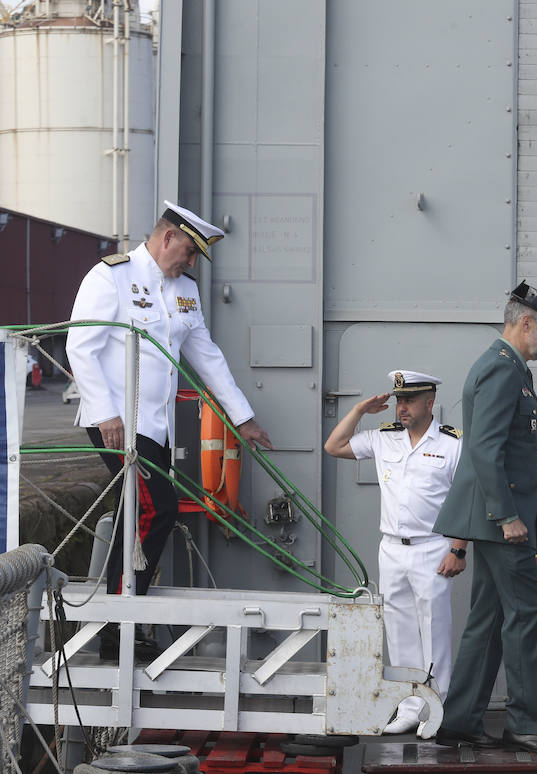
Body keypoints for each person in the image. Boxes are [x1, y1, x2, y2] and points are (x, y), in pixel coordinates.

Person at [67, 202, 273, 653]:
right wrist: (105, 413)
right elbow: (80, 346)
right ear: (167, 238)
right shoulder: (111, 276)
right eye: (190, 251)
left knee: (143, 510)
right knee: (156, 507)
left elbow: (206, 355)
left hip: (156, 429)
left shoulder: (185, 291)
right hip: (117, 422)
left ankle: (119, 623)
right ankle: (118, 623)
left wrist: (243, 418)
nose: (192, 262)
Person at [432, 282, 537, 755]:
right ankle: (527, 723)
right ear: (525, 322)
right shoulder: (501, 368)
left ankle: (460, 720)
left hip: (493, 517)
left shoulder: (509, 367)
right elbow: (486, 448)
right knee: (527, 615)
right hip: (500, 520)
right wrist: (507, 516)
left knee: (488, 620)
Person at [323, 370, 467, 735]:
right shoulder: (384, 437)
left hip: (433, 547)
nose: (402, 408)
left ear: (430, 403)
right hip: (391, 548)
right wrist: (358, 410)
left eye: (410, 401)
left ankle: (436, 706)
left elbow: (468, 498)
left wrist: (458, 549)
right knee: (399, 631)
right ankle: (408, 706)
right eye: (399, 400)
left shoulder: (452, 443)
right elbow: (334, 446)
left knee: (434, 629)